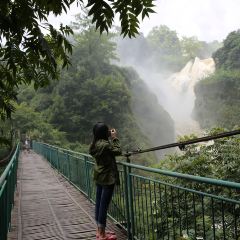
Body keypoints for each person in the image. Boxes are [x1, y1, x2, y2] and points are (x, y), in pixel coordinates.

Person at [89, 122, 122, 240]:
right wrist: (114, 138)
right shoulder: (106, 145)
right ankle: (102, 235)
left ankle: (99, 231)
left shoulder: (94, 144)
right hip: (108, 178)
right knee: (104, 206)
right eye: (107, 130)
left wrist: (107, 136)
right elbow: (118, 150)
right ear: (104, 133)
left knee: (99, 203)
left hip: (99, 176)